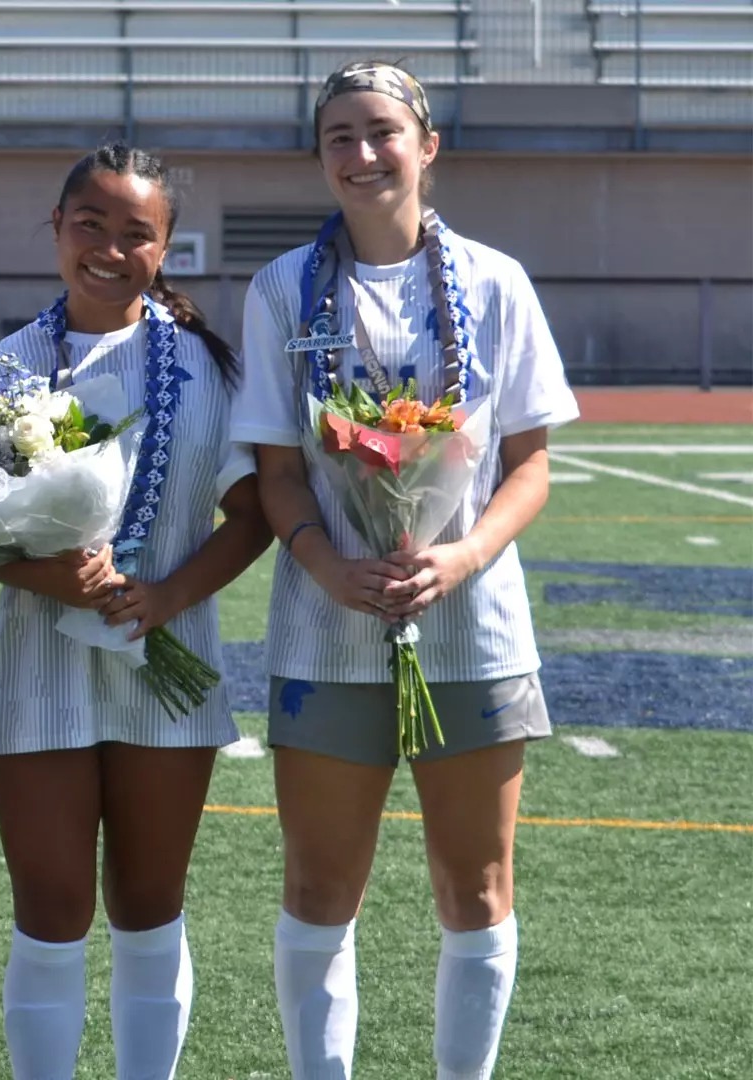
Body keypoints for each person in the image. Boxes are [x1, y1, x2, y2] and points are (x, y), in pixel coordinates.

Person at [231, 60, 578, 1080]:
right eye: (338, 135)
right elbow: (278, 471)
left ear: (427, 147)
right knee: (320, 884)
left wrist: (463, 555)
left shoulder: (496, 281)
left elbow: (531, 464)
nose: (362, 152)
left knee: (475, 887)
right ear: (320, 157)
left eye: (382, 131)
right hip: (325, 624)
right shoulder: (281, 287)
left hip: (472, 625)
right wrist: (327, 565)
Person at [0, 143, 270, 1080]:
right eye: (88, 224)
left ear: (166, 247)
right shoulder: (4, 367)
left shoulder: (209, 368)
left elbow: (255, 514)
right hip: (38, 671)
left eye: (136, 232)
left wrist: (165, 597)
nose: (108, 247)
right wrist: (53, 577)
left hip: (164, 671)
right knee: (51, 910)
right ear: (55, 229)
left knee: (148, 904)